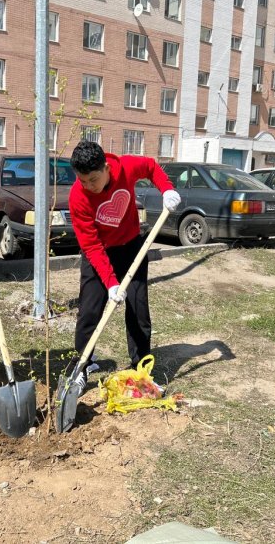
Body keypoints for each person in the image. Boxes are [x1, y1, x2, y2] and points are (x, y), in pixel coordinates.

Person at [66, 141, 181, 389]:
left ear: (106, 168)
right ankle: (81, 367)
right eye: (82, 180)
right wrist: (111, 283)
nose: (89, 187)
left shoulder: (126, 167)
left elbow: (151, 167)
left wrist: (167, 189)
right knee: (89, 310)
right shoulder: (78, 197)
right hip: (98, 253)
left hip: (131, 247)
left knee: (139, 308)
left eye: (93, 180)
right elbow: (92, 246)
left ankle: (140, 368)